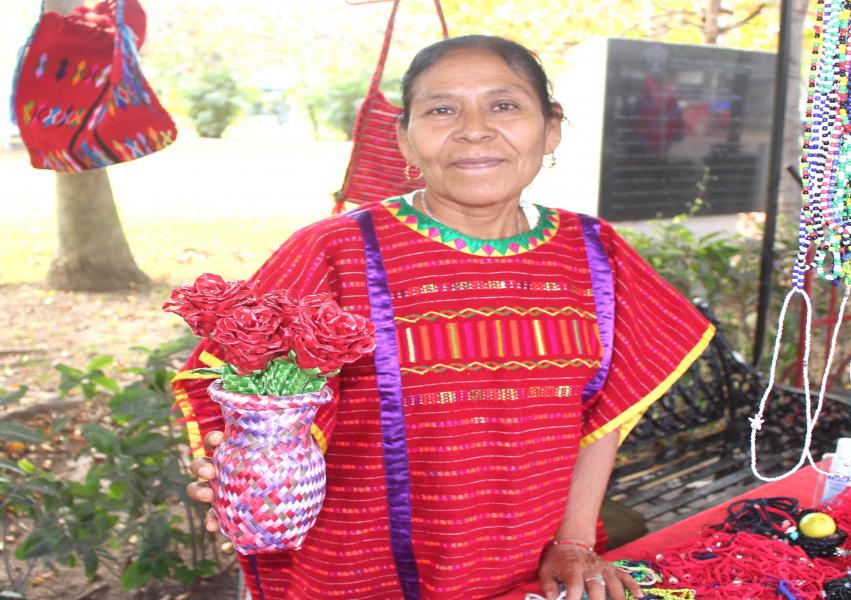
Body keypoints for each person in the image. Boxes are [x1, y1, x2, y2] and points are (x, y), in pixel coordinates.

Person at [177, 35, 714, 600]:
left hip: (533, 563)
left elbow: (606, 412)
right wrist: (246, 472)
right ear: (405, 139)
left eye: (504, 105)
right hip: (357, 570)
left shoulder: (595, 251)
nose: (474, 129)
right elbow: (230, 388)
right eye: (441, 110)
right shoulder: (334, 251)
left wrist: (575, 540)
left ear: (551, 128)